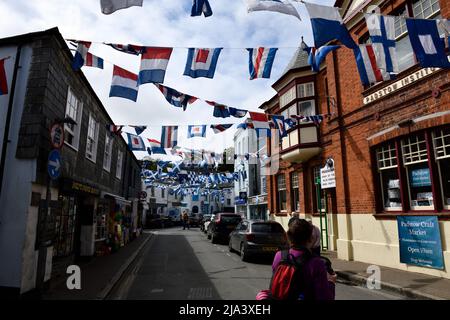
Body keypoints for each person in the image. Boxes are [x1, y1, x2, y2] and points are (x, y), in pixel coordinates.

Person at [271, 218, 336, 300]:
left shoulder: (279, 256)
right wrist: (331, 282)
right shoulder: (317, 263)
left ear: (289, 236)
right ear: (311, 238)